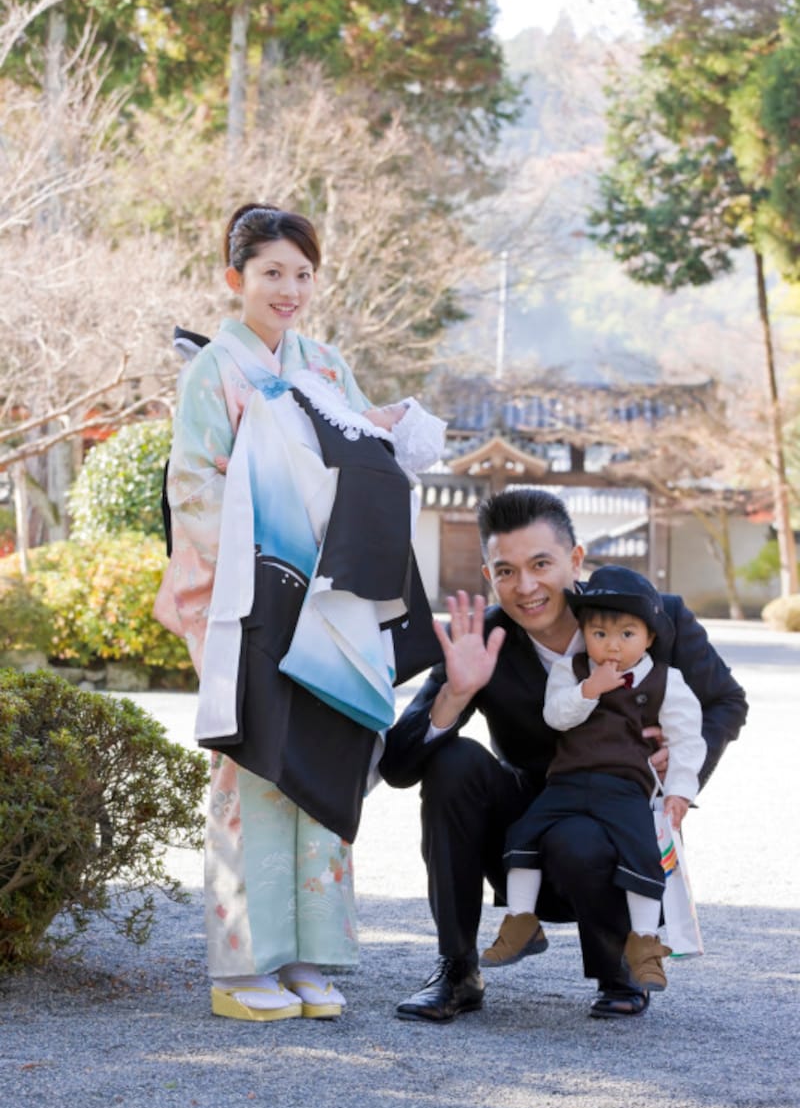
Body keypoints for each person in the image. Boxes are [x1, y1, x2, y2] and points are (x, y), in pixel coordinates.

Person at [155, 202, 445, 1022]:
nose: (288, 289)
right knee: (254, 771)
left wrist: (392, 430)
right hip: (251, 596)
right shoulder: (214, 370)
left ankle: (312, 956)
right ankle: (242, 965)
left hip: (326, 591)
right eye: (272, 272)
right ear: (234, 278)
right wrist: (257, 557)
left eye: (302, 274)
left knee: (322, 760)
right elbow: (194, 487)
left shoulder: (324, 362)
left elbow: (359, 455)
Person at [379, 487, 747, 1020]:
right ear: (489, 576)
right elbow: (397, 766)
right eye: (506, 571)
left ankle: (620, 964)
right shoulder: (485, 639)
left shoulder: (654, 617)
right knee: (455, 762)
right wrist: (456, 694)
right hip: (523, 838)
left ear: (576, 560)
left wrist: (680, 765)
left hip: (616, 830)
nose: (525, 587)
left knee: (584, 837)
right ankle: (457, 968)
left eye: (541, 564)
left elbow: (725, 701)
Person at [479, 565, 707, 996]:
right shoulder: (573, 669)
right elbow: (555, 716)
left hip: (624, 786)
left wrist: (679, 790)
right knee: (522, 837)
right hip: (567, 781)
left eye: (627, 634)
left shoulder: (664, 680)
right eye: (600, 634)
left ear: (649, 638)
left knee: (641, 856)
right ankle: (521, 921)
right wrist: (590, 689)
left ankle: (643, 944)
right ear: (585, 633)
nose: (612, 646)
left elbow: (687, 739)